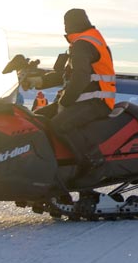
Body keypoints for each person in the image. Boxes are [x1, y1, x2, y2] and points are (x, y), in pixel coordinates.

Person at [48, 9, 118, 165]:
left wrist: (65, 102)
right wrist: (39, 81)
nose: (65, 27)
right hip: (87, 100)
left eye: (66, 23)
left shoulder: (83, 44)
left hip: (97, 102)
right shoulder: (86, 41)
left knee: (58, 125)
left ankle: (92, 163)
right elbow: (67, 75)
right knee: (38, 117)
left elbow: (81, 77)